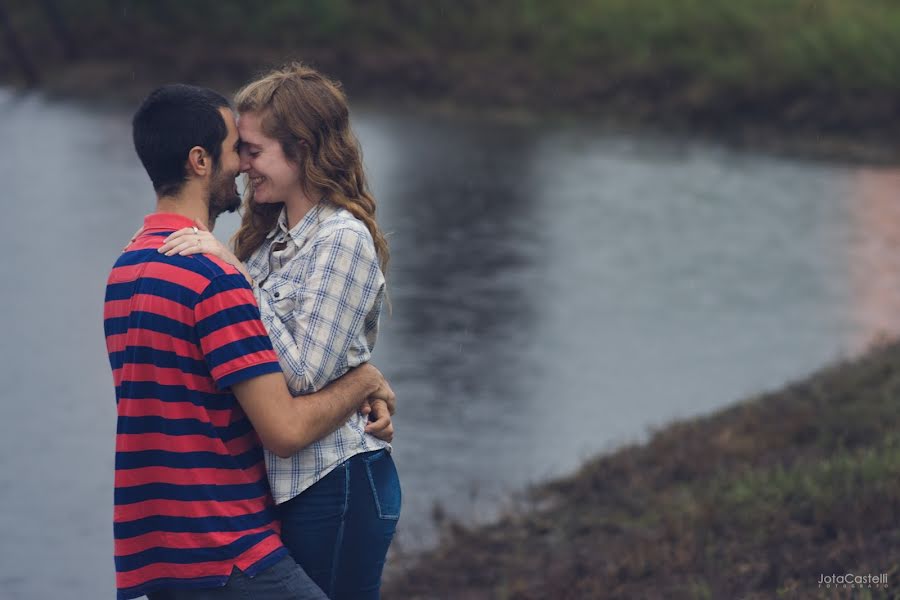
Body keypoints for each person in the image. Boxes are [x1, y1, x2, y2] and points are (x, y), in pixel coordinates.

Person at [104, 83, 395, 600]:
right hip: (271, 500)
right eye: (238, 149)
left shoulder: (338, 239)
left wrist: (365, 378)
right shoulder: (257, 246)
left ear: (300, 150)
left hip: (333, 481)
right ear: (199, 160)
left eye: (252, 149)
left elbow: (302, 371)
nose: (242, 163)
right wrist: (364, 379)